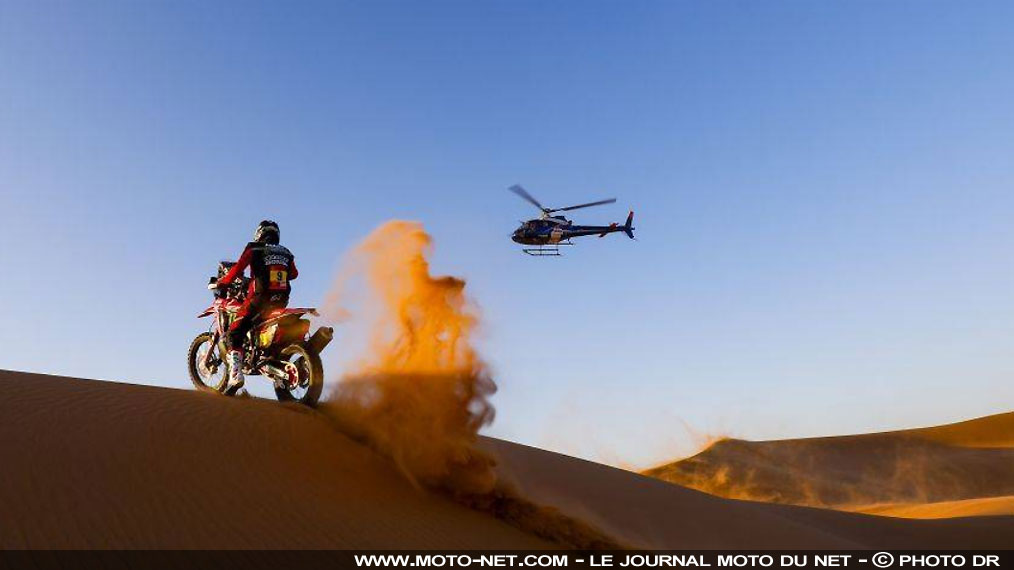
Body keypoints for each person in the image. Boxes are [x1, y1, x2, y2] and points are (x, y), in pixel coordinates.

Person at [216, 220, 298, 394]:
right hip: (281, 300)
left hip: (260, 299)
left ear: (259, 233)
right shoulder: (286, 252)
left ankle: (236, 375)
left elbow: (238, 269)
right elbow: (294, 274)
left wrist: (224, 281)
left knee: (234, 331)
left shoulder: (254, 248)